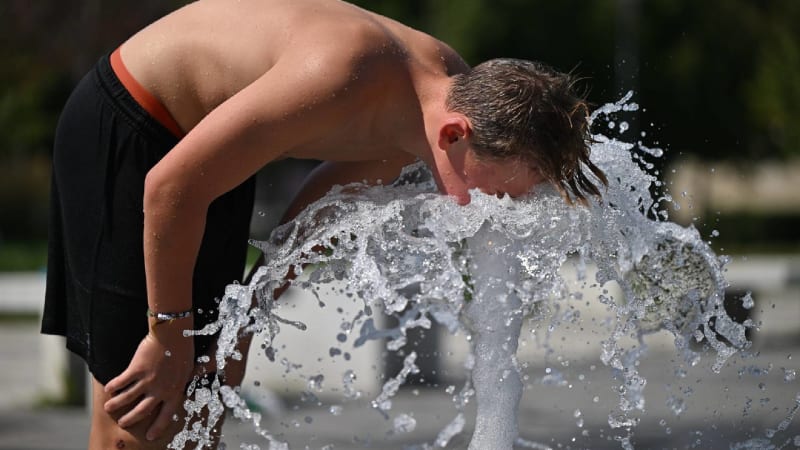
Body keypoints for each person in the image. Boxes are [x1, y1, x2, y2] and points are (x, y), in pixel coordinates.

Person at [41, 0, 607, 448]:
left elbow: (326, 204)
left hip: (204, 159)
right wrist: (167, 335)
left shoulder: (438, 101)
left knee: (200, 401)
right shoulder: (345, 70)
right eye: (497, 192)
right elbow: (169, 188)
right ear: (455, 135)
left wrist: (249, 315)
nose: (492, 211)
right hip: (134, 128)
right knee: (144, 417)